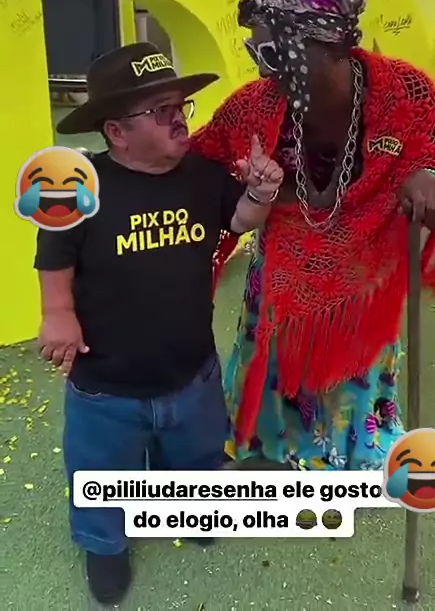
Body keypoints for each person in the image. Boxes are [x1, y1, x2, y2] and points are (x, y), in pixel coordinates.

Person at [191, 0, 435, 472]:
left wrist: (431, 182)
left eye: (272, 51)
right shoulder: (254, 105)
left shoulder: (405, 94)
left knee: (350, 403)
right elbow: (196, 164)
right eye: (256, 52)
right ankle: (266, 453)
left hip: (363, 283)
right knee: (267, 386)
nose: (262, 67)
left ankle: (347, 462)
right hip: (278, 279)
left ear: (323, 45)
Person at [34, 41, 283, 605]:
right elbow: (55, 252)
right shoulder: (83, 186)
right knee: (102, 473)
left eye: (180, 106)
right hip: (106, 386)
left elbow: (240, 218)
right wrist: (58, 313)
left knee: (196, 457)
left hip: (191, 373)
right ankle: (105, 543)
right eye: (160, 109)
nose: (179, 118)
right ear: (116, 132)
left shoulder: (202, 175)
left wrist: (260, 191)